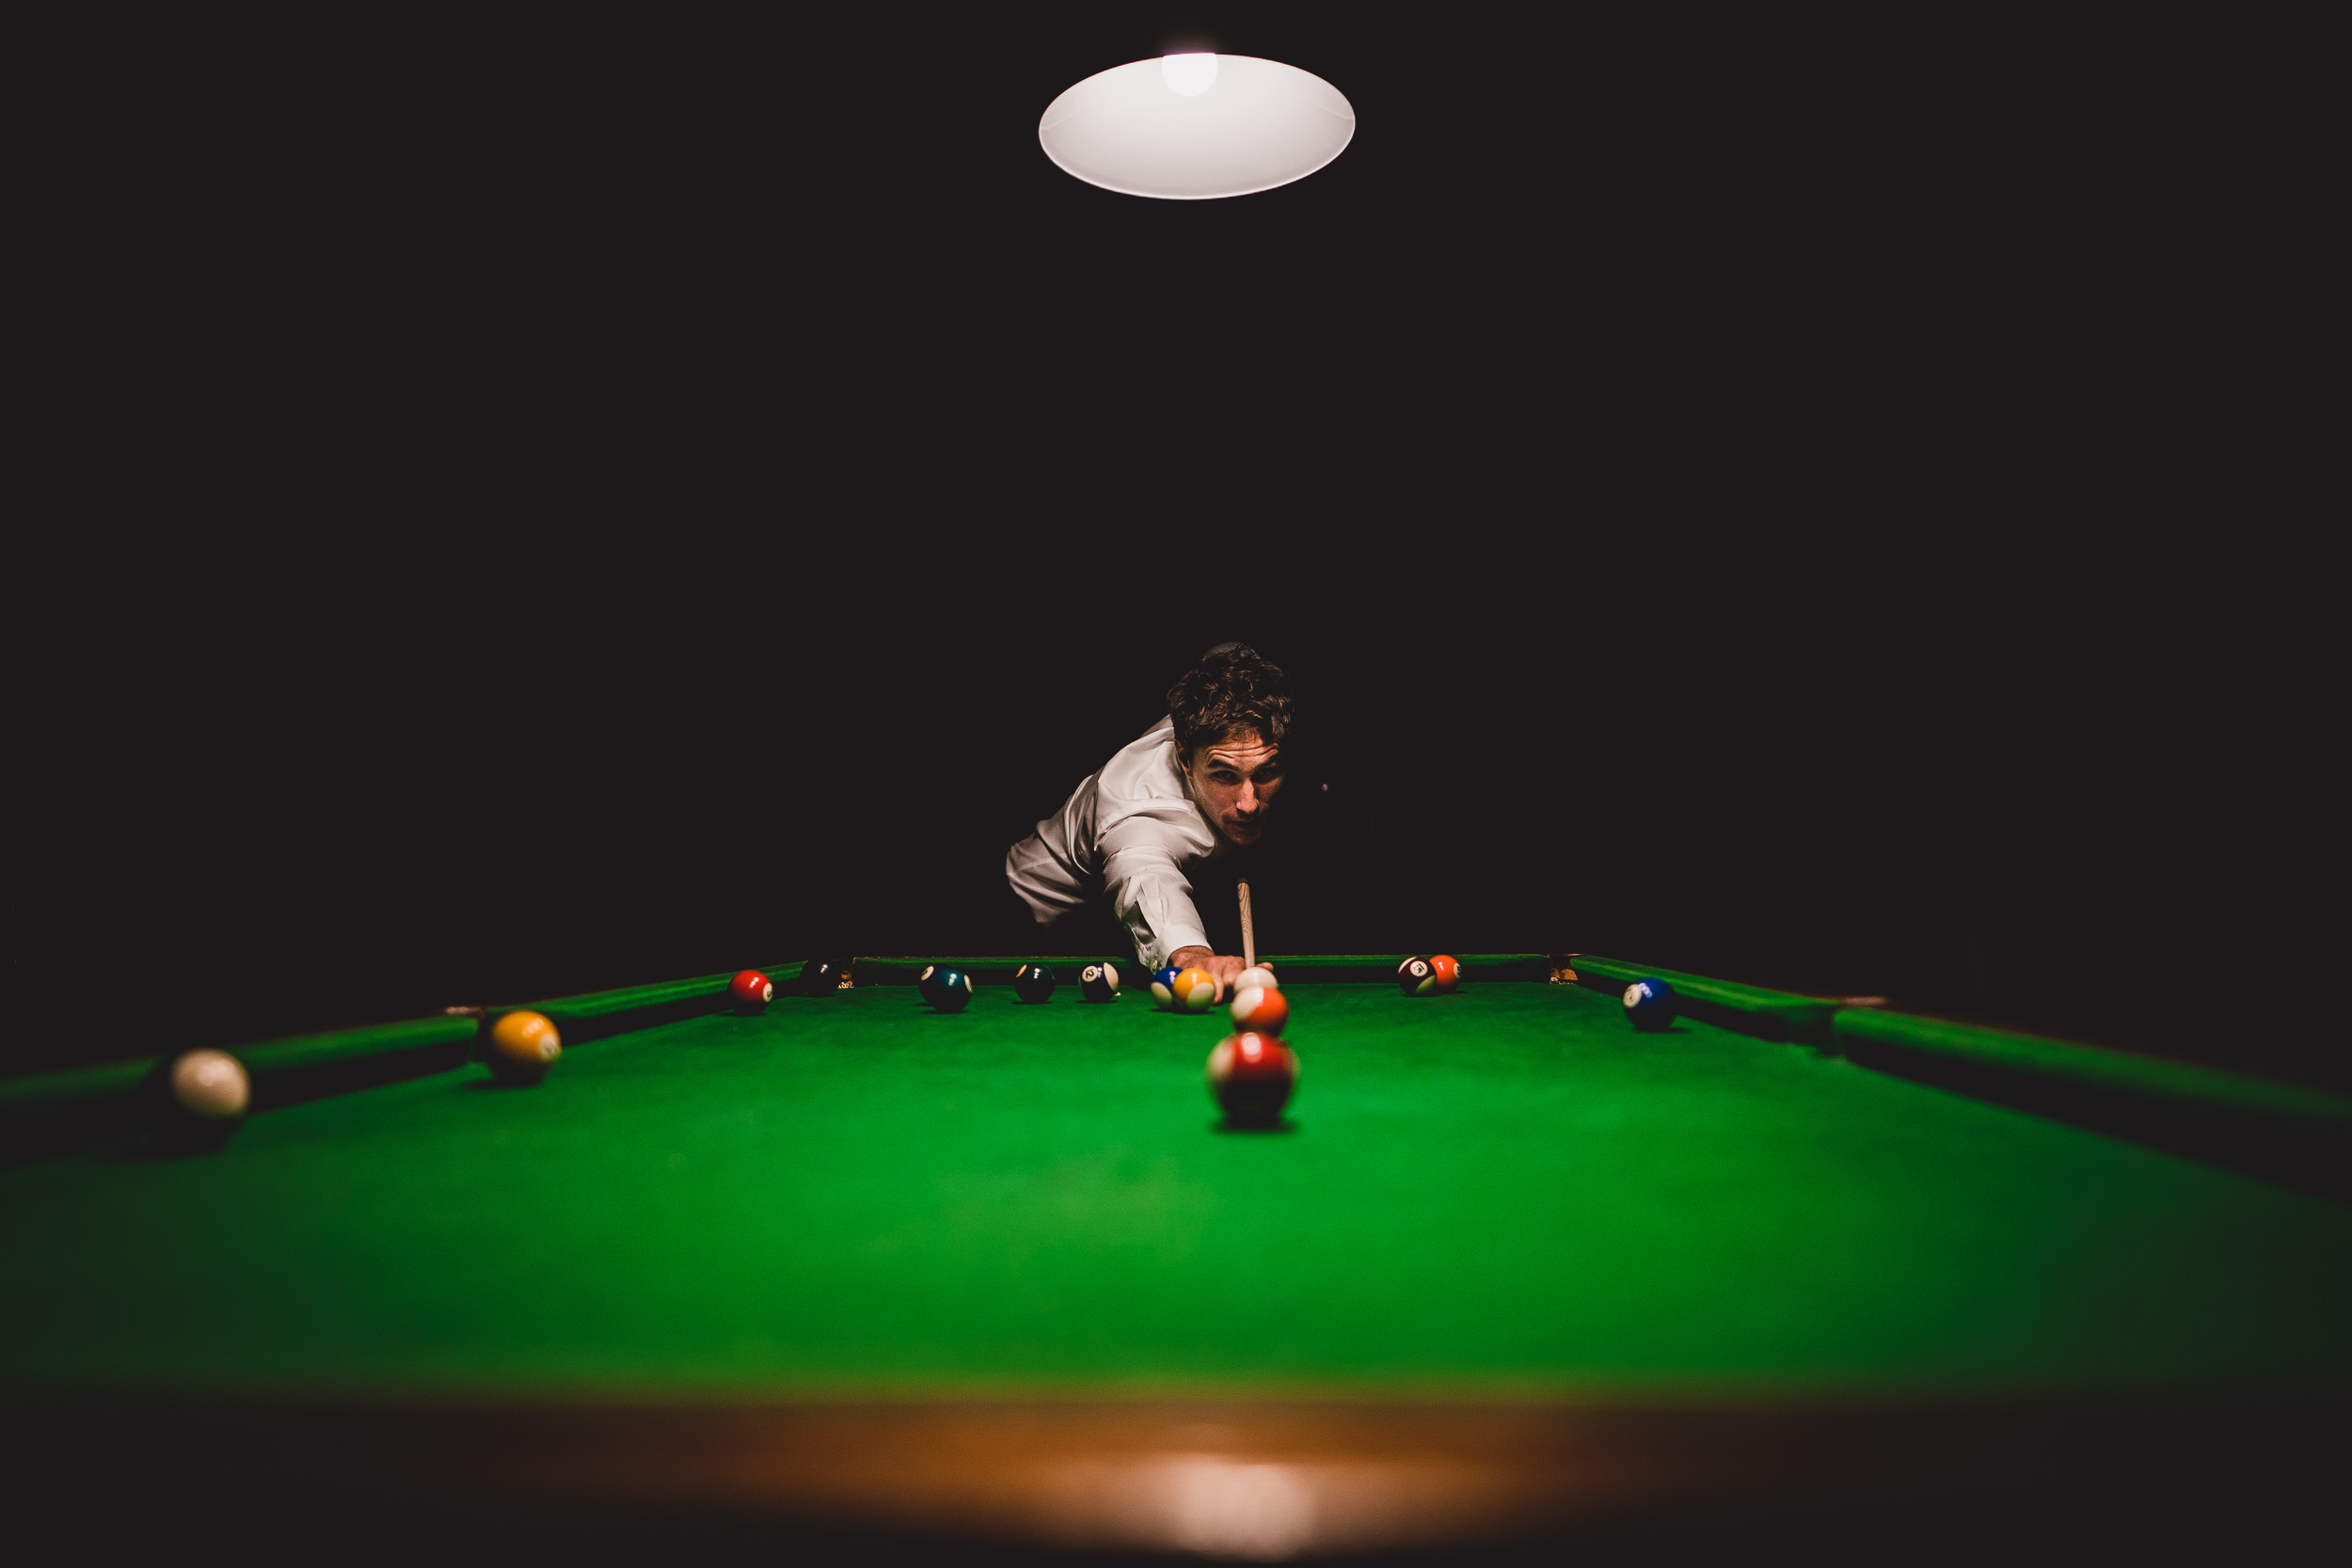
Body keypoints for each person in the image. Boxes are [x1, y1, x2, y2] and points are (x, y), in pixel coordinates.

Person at [1004, 644, 1292, 993]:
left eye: (1265, 773)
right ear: (1185, 760)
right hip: (1032, 912)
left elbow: (1228, 655)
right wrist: (1191, 955)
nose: (1249, 804)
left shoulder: (1225, 713)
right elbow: (1144, 876)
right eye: (1225, 776)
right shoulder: (1137, 809)